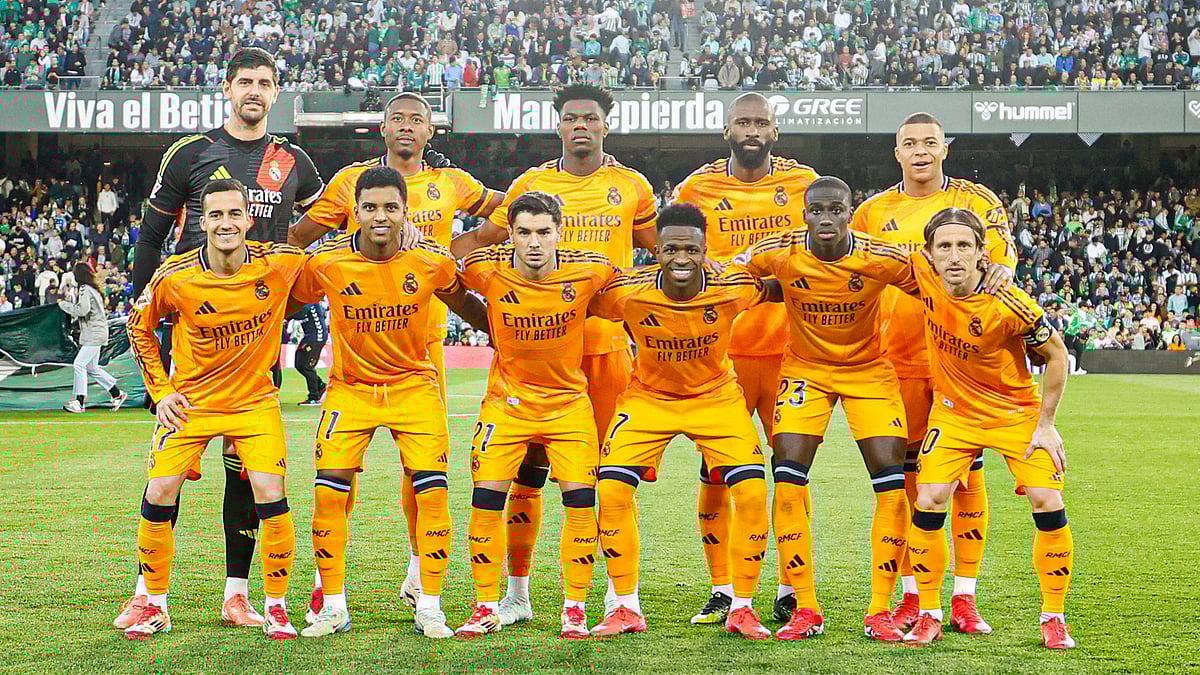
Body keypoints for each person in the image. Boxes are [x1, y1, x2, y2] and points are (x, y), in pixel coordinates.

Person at [120, 47, 324, 632]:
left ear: (276, 93)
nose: (254, 91)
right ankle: (149, 593)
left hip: (260, 331)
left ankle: (238, 592)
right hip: (193, 330)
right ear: (227, 89)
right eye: (245, 82)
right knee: (170, 473)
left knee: (248, 470)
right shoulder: (191, 153)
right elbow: (152, 234)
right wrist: (148, 309)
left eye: (265, 83)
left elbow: (318, 226)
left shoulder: (294, 162)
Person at [288, 91, 502, 614]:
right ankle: (327, 583)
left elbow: (509, 208)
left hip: (425, 340)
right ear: (381, 129)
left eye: (418, 120)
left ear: (432, 132)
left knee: (422, 468)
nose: (407, 127)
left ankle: (416, 569)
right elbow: (298, 237)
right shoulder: (348, 182)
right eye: (397, 118)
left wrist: (462, 248)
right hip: (361, 333)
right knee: (338, 470)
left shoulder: (452, 183)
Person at [451, 84, 657, 623]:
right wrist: (492, 316)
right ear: (559, 125)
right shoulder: (531, 184)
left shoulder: (631, 186)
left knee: (610, 477)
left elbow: (662, 257)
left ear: (606, 124)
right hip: (531, 353)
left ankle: (619, 596)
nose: (581, 125)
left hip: (606, 350)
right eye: (571, 118)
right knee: (524, 476)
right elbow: (468, 247)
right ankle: (515, 595)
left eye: (590, 117)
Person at [850, 111, 1016, 633]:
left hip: (961, 363)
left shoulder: (977, 202)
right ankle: (913, 593)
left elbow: (1003, 268)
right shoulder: (873, 211)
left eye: (929, 142)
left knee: (967, 477)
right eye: (909, 143)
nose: (920, 150)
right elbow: (855, 278)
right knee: (906, 480)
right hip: (896, 362)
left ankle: (965, 595)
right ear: (896, 152)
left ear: (946, 148)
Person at [123, 179, 307, 640]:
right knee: (161, 490)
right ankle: (154, 604)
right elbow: (137, 326)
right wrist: (161, 391)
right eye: (215, 216)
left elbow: (337, 259)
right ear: (202, 222)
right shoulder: (175, 275)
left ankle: (277, 606)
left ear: (248, 218)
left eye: (233, 214)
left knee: (269, 490)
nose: (225, 223)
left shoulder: (280, 263)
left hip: (253, 403)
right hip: (193, 403)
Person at [737, 177, 917, 641]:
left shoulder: (880, 256)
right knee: (788, 477)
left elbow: (936, 282)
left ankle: (881, 608)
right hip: (805, 373)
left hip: (869, 371)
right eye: (816, 211)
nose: (825, 220)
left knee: (891, 484)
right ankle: (806, 607)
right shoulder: (780, 249)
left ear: (850, 212)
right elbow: (732, 272)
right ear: (804, 214)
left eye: (836, 210)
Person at [588, 203, 773, 640]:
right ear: (657, 251)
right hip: (649, 398)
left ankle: (742, 607)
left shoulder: (733, 285)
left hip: (716, 397)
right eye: (670, 249)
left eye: (691, 249)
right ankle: (626, 608)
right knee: (611, 487)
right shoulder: (628, 292)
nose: (681, 259)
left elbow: (780, 285)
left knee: (750, 490)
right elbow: (581, 295)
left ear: (705, 248)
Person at [671, 91, 818, 625]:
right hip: (722, 357)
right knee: (717, 475)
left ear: (775, 131)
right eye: (742, 122)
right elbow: (675, 259)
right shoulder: (698, 187)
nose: (752, 130)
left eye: (761, 122)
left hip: (791, 354)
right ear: (725, 130)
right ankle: (724, 586)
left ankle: (789, 585)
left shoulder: (804, 185)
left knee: (790, 474)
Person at [903, 208, 1074, 650]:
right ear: (929, 254)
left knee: (1047, 499)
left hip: (1015, 413)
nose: (954, 255)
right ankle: (929, 613)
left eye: (965, 246)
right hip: (953, 412)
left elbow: (1058, 357)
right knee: (929, 498)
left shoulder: (1010, 303)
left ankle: (1054, 617)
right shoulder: (921, 272)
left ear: (982, 253)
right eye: (945, 246)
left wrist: (1047, 423)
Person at [455, 192, 619, 639]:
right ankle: (487, 605)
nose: (533, 243)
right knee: (485, 500)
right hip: (506, 406)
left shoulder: (589, 271)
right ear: (510, 234)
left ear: (559, 234)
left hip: (568, 407)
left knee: (581, 502)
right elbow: (445, 269)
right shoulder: (486, 269)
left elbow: (628, 286)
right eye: (524, 232)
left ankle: (575, 608)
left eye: (543, 232)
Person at [58, 262, 127, 413]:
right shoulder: (93, 289)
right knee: (92, 368)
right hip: (98, 331)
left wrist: (63, 305)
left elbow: (83, 310)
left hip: (94, 333)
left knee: (79, 364)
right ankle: (117, 394)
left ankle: (79, 401)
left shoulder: (84, 289)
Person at [294, 302, 327, 405]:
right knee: (299, 364)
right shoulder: (304, 301)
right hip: (309, 336)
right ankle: (320, 385)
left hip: (317, 336)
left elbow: (300, 314)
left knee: (307, 366)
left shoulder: (311, 301)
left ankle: (314, 397)